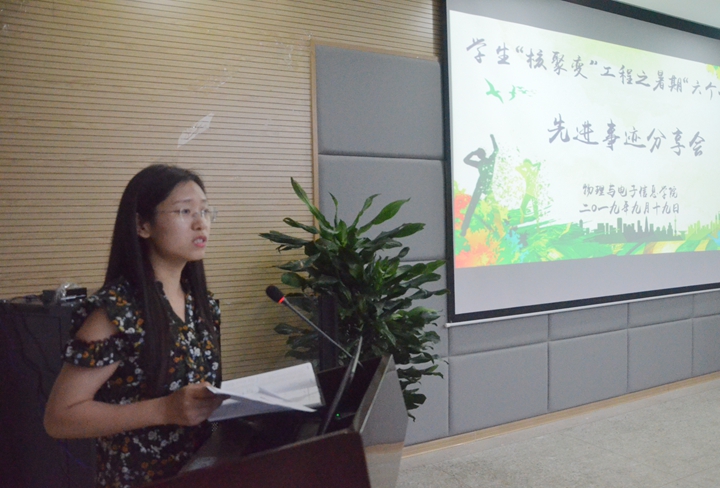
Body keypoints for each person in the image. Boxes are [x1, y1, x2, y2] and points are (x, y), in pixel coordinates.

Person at [44, 164, 226, 487]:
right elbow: (60, 417)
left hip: (200, 473)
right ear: (143, 225)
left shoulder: (203, 305)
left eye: (205, 211)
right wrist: (164, 410)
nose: (201, 223)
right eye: (185, 211)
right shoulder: (117, 311)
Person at [460, 134, 499, 236]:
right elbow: (465, 160)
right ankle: (464, 229)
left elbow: (496, 150)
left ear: (483, 154)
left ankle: (499, 225)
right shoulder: (479, 163)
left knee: (493, 205)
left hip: (487, 186)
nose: (479, 156)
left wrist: (493, 139)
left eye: (479, 154)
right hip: (480, 185)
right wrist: (473, 152)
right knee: (472, 206)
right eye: (478, 155)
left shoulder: (490, 160)